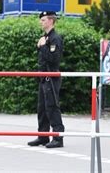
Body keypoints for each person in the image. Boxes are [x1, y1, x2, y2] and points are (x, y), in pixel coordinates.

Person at [28, 11, 65, 148]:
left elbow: (54, 59)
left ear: (50, 21)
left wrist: (43, 46)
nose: (41, 22)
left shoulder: (55, 38)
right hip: (43, 76)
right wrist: (41, 46)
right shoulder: (45, 37)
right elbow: (43, 58)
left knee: (52, 107)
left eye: (43, 20)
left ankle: (58, 137)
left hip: (51, 76)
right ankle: (43, 136)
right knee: (42, 108)